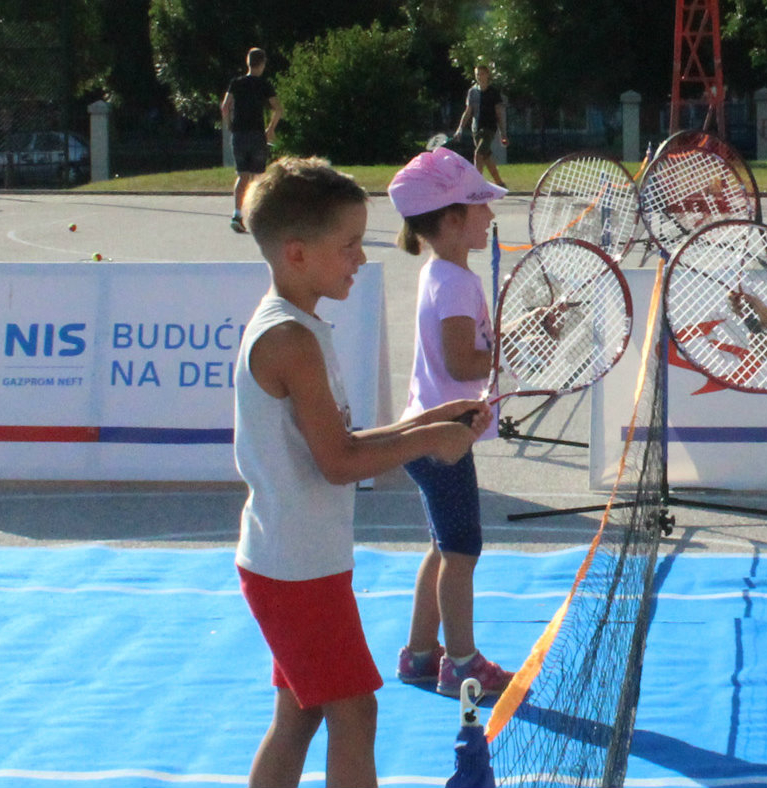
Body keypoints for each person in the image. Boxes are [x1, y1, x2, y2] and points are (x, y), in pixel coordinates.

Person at [233, 156, 491, 788]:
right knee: (356, 712)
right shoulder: (289, 339)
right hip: (294, 569)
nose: (359, 259)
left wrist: (428, 419)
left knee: (300, 715)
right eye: (348, 246)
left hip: (297, 560)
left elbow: (338, 441)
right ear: (296, 253)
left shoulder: (302, 329)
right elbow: (339, 462)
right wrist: (429, 438)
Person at [387, 147, 516, 699]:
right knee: (461, 554)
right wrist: (513, 352)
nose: (489, 215)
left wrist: (507, 341)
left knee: (442, 548)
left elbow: (462, 350)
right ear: (451, 220)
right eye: (478, 206)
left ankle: (420, 655)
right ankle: (461, 665)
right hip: (443, 442)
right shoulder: (456, 282)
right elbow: (462, 359)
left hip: (425, 434)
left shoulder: (438, 271)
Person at [220, 47, 283, 234]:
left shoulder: (236, 83)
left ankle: (237, 214)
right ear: (262, 63)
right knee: (258, 176)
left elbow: (225, 107)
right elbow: (277, 109)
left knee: (242, 175)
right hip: (257, 134)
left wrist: (230, 125)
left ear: (248, 62)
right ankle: (258, 216)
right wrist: (270, 129)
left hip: (239, 134)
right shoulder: (264, 85)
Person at [454, 65, 509, 188]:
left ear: (487, 75)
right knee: (486, 156)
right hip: (476, 129)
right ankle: (500, 183)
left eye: (482, 74)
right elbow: (468, 112)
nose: (479, 76)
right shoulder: (472, 92)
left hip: (489, 128)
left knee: (478, 154)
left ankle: (476, 185)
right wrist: (460, 128)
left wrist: (503, 133)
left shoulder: (493, 93)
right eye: (477, 74)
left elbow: (499, 113)